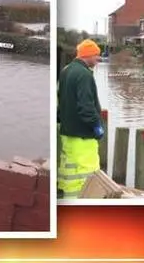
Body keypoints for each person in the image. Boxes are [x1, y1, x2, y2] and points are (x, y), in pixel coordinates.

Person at [57, 39, 104, 199]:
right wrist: (96, 125)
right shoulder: (84, 75)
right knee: (88, 173)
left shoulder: (66, 70)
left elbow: (61, 100)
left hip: (67, 132)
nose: (99, 59)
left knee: (69, 170)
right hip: (83, 136)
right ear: (88, 55)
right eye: (97, 55)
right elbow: (86, 106)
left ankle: (67, 198)